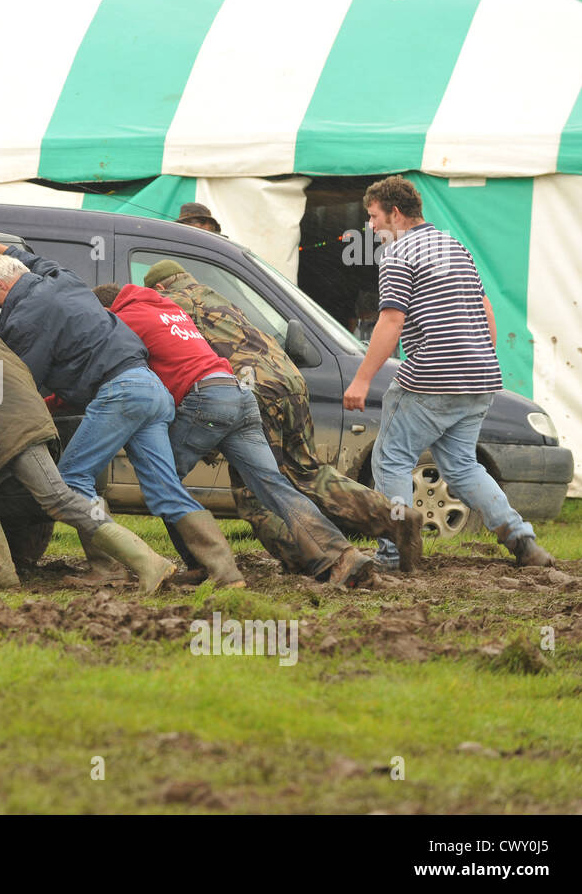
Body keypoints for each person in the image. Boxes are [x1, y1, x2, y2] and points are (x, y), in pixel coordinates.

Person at [0, 224, 245, 589]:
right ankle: (226, 572)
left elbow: (21, 381)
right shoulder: (61, 278)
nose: (1, 311)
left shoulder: (22, 319)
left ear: (0, 288)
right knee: (165, 488)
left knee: (72, 479)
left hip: (121, 393)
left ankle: (109, 567)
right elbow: (36, 260)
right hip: (151, 388)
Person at [142, 258, 424, 575]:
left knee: (257, 493)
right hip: (289, 379)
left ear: (161, 287)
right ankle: (394, 517)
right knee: (309, 473)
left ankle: (308, 560)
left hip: (253, 389)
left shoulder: (168, 303)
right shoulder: (214, 295)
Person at [93, 282, 375, 587]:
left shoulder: (124, 319)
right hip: (239, 394)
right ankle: (341, 556)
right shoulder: (166, 309)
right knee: (273, 485)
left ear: (107, 309)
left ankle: (208, 566)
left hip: (207, 400)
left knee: (163, 482)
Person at [344, 176, 554, 569]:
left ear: (395, 212)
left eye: (373, 217)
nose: (370, 227)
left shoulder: (398, 252)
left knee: (391, 460)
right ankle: (523, 541)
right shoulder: (453, 245)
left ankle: (393, 553)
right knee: (461, 466)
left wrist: (362, 379)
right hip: (480, 379)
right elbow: (486, 309)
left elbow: (391, 320)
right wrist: (476, 358)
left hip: (431, 379)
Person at [0, 290, 173, 593]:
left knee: (58, 498)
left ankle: (148, 562)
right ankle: (1, 573)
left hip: (9, 432)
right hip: (2, 434)